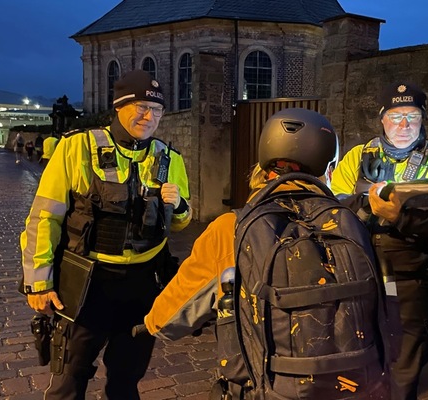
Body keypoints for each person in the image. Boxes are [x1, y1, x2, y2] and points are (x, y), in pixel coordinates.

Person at [143, 108, 390, 399]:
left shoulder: (231, 229)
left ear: (263, 167)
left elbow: (165, 320)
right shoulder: (352, 224)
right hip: (353, 385)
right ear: (330, 171)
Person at [19, 69, 192, 399]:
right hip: (88, 283)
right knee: (69, 380)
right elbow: (43, 217)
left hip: (143, 284)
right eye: (140, 107)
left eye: (156, 110)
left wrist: (180, 205)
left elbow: (180, 222)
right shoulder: (77, 148)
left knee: (127, 380)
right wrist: (39, 281)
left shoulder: (169, 159)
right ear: (119, 107)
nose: (148, 116)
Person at [330, 82, 428, 400]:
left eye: (411, 116)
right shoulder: (357, 156)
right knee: (359, 349)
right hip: (360, 268)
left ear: (422, 118)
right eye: (395, 116)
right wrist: (367, 205)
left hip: (411, 271)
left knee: (406, 358)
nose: (403, 125)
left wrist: (399, 216)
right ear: (382, 119)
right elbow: (333, 205)